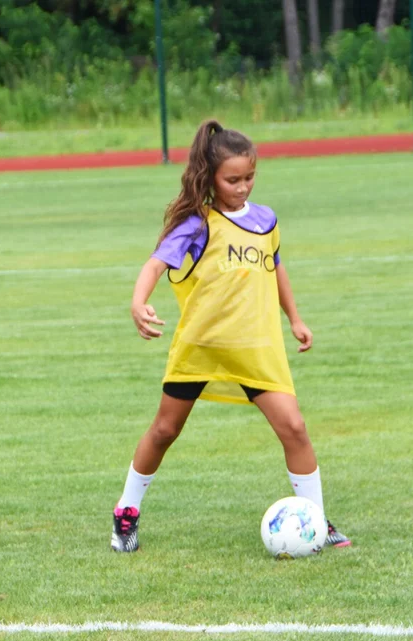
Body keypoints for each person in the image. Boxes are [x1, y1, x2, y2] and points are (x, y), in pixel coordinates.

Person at [112, 119, 351, 553]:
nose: (243, 187)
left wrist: (295, 318)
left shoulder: (266, 220)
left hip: (256, 351)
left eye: (249, 177)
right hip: (202, 348)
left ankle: (315, 521)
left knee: (295, 428)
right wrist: (138, 301)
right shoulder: (196, 223)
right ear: (210, 177)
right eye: (232, 179)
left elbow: (275, 268)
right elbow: (154, 265)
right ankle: (126, 512)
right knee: (165, 430)